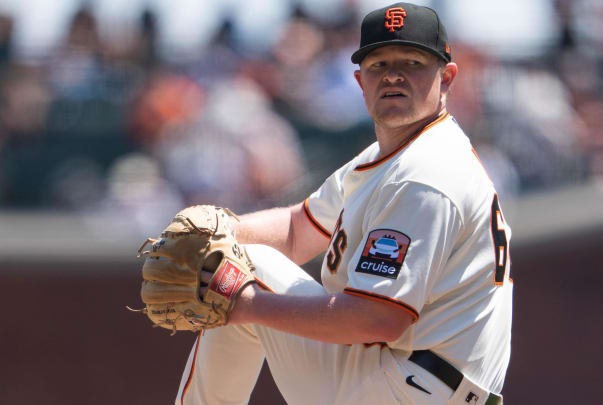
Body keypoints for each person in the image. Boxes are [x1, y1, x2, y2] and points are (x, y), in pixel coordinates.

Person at [177, 3, 513, 404]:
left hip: (411, 387)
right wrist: (217, 230)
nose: (393, 75)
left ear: (447, 77)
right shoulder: (387, 158)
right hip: (415, 382)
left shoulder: (426, 173)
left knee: (245, 267)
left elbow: (376, 318)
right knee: (237, 255)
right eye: (378, 64)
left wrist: (245, 304)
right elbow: (300, 228)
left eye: (412, 61)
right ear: (360, 80)